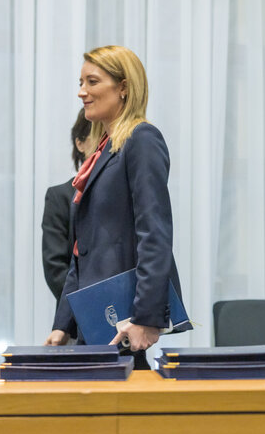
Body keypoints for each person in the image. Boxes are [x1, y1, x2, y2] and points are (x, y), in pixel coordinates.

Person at [44, 45, 183, 369]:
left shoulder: (141, 138)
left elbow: (155, 234)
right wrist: (62, 323)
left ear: (123, 87)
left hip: (124, 323)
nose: (82, 92)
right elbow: (83, 250)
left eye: (92, 82)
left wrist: (147, 316)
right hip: (96, 323)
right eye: (81, 82)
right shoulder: (103, 153)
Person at [41, 108, 91, 303]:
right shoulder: (59, 196)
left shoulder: (124, 192)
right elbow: (55, 269)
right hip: (77, 319)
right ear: (80, 143)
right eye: (97, 137)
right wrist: (88, 310)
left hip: (127, 319)